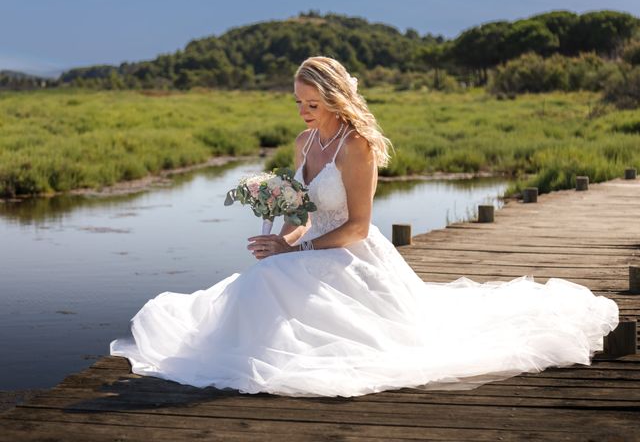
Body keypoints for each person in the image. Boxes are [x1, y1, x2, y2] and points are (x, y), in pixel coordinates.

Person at [110, 56, 619, 397]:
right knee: (259, 279)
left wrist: (296, 252)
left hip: (350, 253)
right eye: (298, 103)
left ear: (335, 99)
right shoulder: (305, 144)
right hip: (312, 246)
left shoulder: (357, 147)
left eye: (313, 104)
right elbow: (303, 216)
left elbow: (356, 226)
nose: (305, 112)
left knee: (280, 281)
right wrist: (280, 241)